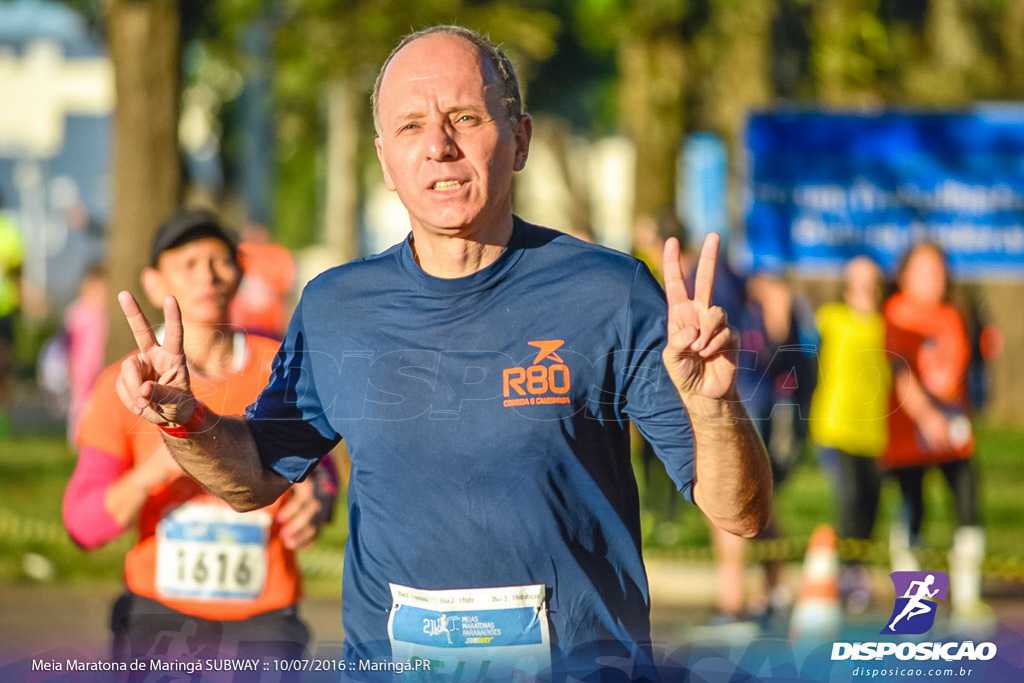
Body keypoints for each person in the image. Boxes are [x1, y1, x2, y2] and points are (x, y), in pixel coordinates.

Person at [112, 26, 772, 679]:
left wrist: (714, 403)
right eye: (410, 127)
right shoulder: (337, 308)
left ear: (520, 140)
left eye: (465, 116)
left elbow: (738, 511)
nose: (439, 146)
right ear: (384, 160)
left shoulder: (610, 293)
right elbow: (252, 477)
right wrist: (183, 418)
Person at [63, 209, 339, 667]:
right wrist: (160, 467)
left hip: (264, 616)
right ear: (153, 283)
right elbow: (82, 525)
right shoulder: (128, 381)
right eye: (187, 264)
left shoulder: (282, 366)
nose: (206, 276)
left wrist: (320, 499)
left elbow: (323, 473)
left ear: (240, 274)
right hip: (157, 613)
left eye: (219, 261)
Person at [882, 242, 987, 626]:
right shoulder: (897, 314)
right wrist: (927, 417)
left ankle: (968, 599)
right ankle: (915, 610)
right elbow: (900, 371)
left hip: (955, 436)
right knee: (913, 515)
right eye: (926, 271)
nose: (935, 279)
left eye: (940, 271)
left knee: (969, 510)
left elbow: (959, 376)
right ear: (905, 276)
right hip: (911, 436)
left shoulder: (952, 315)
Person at [809, 256, 890, 612]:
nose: (863, 288)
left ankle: (858, 570)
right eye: (856, 280)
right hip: (836, 426)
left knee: (872, 503)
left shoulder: (886, 323)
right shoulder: (830, 319)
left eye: (870, 280)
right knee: (850, 498)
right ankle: (844, 572)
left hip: (876, 430)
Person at [64, 261, 109, 443]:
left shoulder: (105, 314)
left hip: (100, 365)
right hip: (81, 367)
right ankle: (76, 436)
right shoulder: (78, 312)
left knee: (97, 401)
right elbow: (69, 343)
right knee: (80, 402)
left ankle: (94, 435)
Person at [229, 222, 297, 339]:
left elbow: (285, 297)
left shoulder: (278, 255)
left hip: (271, 330)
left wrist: (287, 329)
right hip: (240, 329)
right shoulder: (238, 253)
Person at [0, 193, 24, 438]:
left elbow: (17, 268)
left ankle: (2, 421)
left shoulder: (7, 229)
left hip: (3, 309)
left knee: (2, 366)